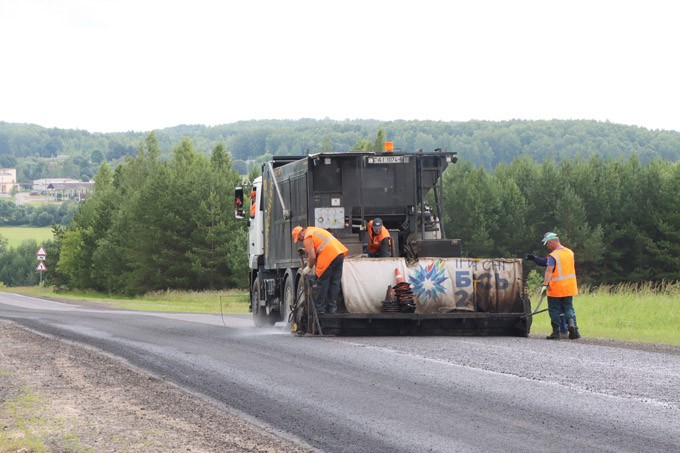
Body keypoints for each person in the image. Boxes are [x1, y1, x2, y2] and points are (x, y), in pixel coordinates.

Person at [525, 232, 581, 340]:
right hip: (569, 287)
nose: (547, 246)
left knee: (554, 309)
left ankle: (556, 333)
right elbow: (546, 262)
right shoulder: (569, 252)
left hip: (556, 288)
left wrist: (544, 285)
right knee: (568, 308)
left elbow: (549, 270)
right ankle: (572, 327)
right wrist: (534, 258)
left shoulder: (553, 255)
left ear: (551, 242)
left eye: (547, 243)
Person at [292, 225, 348, 315]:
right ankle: (332, 309)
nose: (300, 240)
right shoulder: (314, 230)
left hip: (328, 257)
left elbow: (313, 257)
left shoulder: (307, 237)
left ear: (302, 232)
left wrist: (308, 268)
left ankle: (320, 310)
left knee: (322, 283)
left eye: (299, 238)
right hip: (338, 254)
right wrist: (306, 250)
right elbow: (320, 244)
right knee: (334, 283)